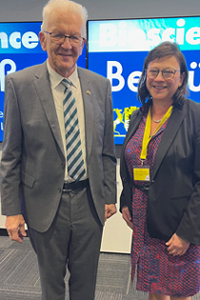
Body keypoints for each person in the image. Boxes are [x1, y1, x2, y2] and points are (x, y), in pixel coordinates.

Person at [0, 0, 116, 299]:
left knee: (85, 284)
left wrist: (108, 195)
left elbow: (105, 150)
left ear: (83, 41)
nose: (67, 44)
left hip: (90, 204)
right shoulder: (19, 84)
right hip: (43, 206)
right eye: (58, 35)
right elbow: (10, 154)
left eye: (74, 36)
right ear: (43, 38)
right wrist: (11, 211)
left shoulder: (100, 86)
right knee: (51, 285)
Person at [120, 41, 200, 300]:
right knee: (154, 288)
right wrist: (126, 201)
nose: (159, 78)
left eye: (168, 72)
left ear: (181, 78)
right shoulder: (138, 115)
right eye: (153, 71)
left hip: (177, 224)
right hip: (144, 223)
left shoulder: (194, 116)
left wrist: (187, 232)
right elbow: (129, 164)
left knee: (178, 292)